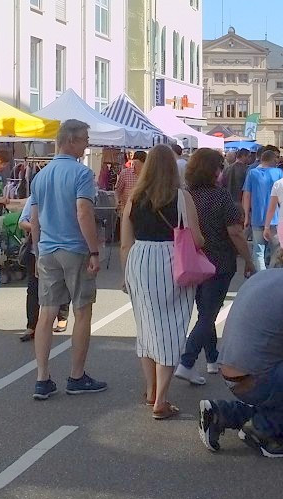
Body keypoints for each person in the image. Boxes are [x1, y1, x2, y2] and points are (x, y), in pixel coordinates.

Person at [198, 253, 283, 458]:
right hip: (259, 378)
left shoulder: (265, 276)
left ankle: (224, 412)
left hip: (231, 371)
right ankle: (264, 426)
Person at [121, 144, 204, 419]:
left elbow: (124, 244)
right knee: (170, 327)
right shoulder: (182, 198)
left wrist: (126, 276)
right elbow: (197, 239)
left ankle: (150, 390)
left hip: (140, 259)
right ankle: (161, 400)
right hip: (171, 261)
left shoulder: (134, 199)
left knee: (146, 329)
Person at [30, 119, 105, 400]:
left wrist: (37, 252)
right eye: (85, 138)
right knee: (82, 310)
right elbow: (83, 213)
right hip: (74, 248)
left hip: (48, 249)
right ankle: (76, 375)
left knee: (46, 313)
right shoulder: (82, 174)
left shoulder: (40, 176)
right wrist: (94, 250)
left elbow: (34, 220)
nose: (87, 143)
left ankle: (42, 377)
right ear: (71, 140)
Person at [176, 148, 255, 386]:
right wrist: (249, 260)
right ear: (213, 170)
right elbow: (235, 232)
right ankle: (187, 361)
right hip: (219, 262)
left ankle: (212, 359)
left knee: (204, 312)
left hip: (192, 260)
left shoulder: (186, 195)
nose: (222, 171)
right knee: (209, 314)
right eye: (220, 167)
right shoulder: (221, 197)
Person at [16, 193, 69, 342]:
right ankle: (32, 325)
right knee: (33, 288)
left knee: (61, 283)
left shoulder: (62, 196)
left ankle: (62, 316)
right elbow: (22, 221)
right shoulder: (35, 196)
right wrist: (36, 226)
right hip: (36, 249)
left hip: (59, 247)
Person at [242, 149, 283, 271]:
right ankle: (272, 272)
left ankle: (262, 274)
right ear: (272, 160)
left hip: (257, 217)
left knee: (258, 250)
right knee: (277, 249)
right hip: (275, 217)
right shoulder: (279, 172)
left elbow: (247, 195)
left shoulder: (252, 173)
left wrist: (246, 215)